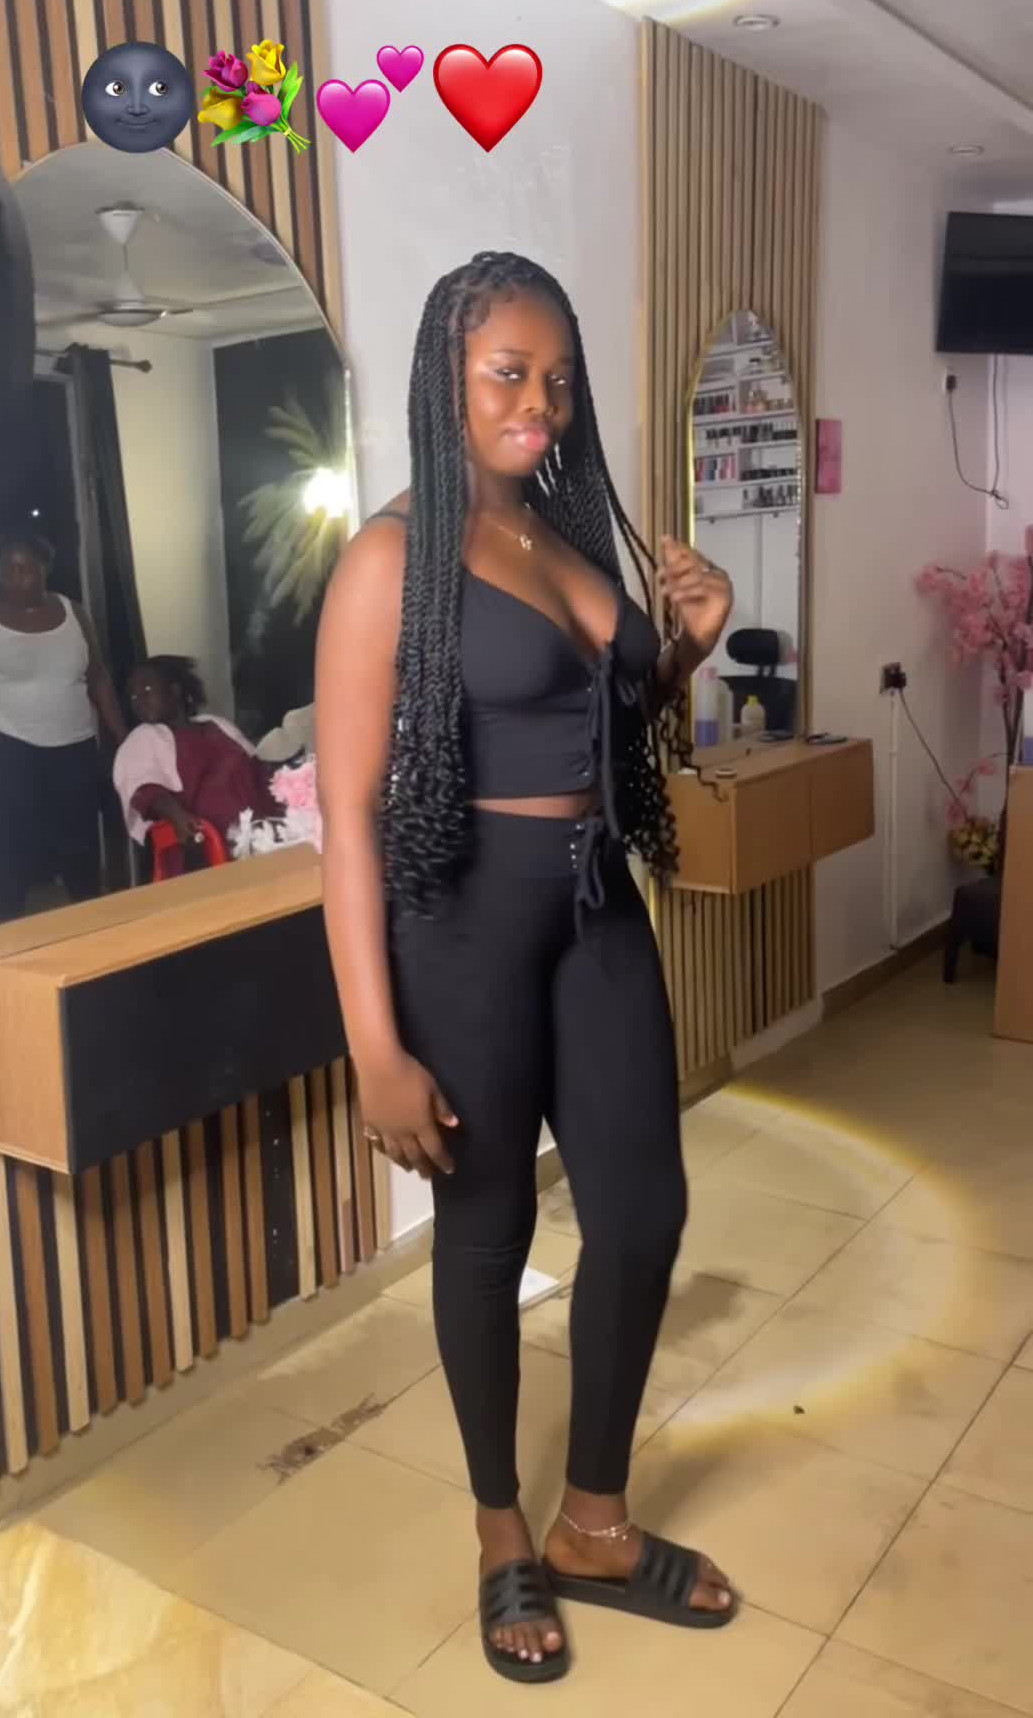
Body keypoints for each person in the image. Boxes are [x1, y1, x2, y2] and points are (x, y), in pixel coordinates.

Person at [315, 250, 737, 1684]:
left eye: (557, 379)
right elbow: (347, 826)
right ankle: (503, 1527)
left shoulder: (562, 534)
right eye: (509, 373)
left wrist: (683, 651)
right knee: (487, 1231)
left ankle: (596, 1524)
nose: (539, 404)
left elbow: (608, 725)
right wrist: (375, 1048)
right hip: (467, 924)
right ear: (447, 375)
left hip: (596, 905)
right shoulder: (389, 561)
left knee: (643, 1212)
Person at [0, 533, 125, 923]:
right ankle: (12, 928)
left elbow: (99, 678)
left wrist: (121, 735)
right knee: (12, 851)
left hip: (75, 747)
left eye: (24, 570)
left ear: (45, 568)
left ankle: (91, 924)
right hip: (7, 747)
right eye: (7, 571)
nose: (15, 579)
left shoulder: (75, 612)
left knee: (80, 847)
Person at [114, 655, 279, 869]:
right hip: (204, 845)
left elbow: (257, 771)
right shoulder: (142, 738)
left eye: (147, 690)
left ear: (174, 690)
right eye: (133, 696)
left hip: (260, 831)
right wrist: (176, 814)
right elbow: (144, 789)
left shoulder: (217, 725)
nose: (139, 700)